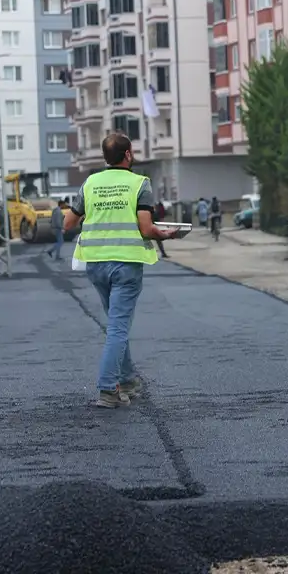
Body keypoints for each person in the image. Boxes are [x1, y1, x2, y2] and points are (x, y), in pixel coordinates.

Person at [63, 133, 178, 408]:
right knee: (118, 327)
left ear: (105, 157)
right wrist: (166, 234)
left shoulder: (90, 183)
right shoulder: (139, 184)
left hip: (95, 264)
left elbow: (68, 223)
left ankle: (126, 380)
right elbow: (146, 228)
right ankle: (107, 389)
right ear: (127, 155)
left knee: (116, 323)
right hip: (126, 264)